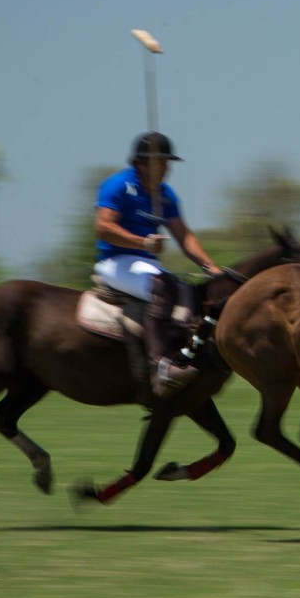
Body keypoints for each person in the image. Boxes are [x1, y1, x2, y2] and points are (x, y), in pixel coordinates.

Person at [94, 131, 221, 398]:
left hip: (143, 263)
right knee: (161, 287)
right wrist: (143, 243)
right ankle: (161, 365)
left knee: (186, 290)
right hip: (114, 262)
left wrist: (212, 268)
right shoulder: (119, 185)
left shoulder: (165, 195)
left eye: (168, 163)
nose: (167, 168)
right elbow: (103, 228)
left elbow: (184, 236)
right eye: (161, 162)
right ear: (141, 162)